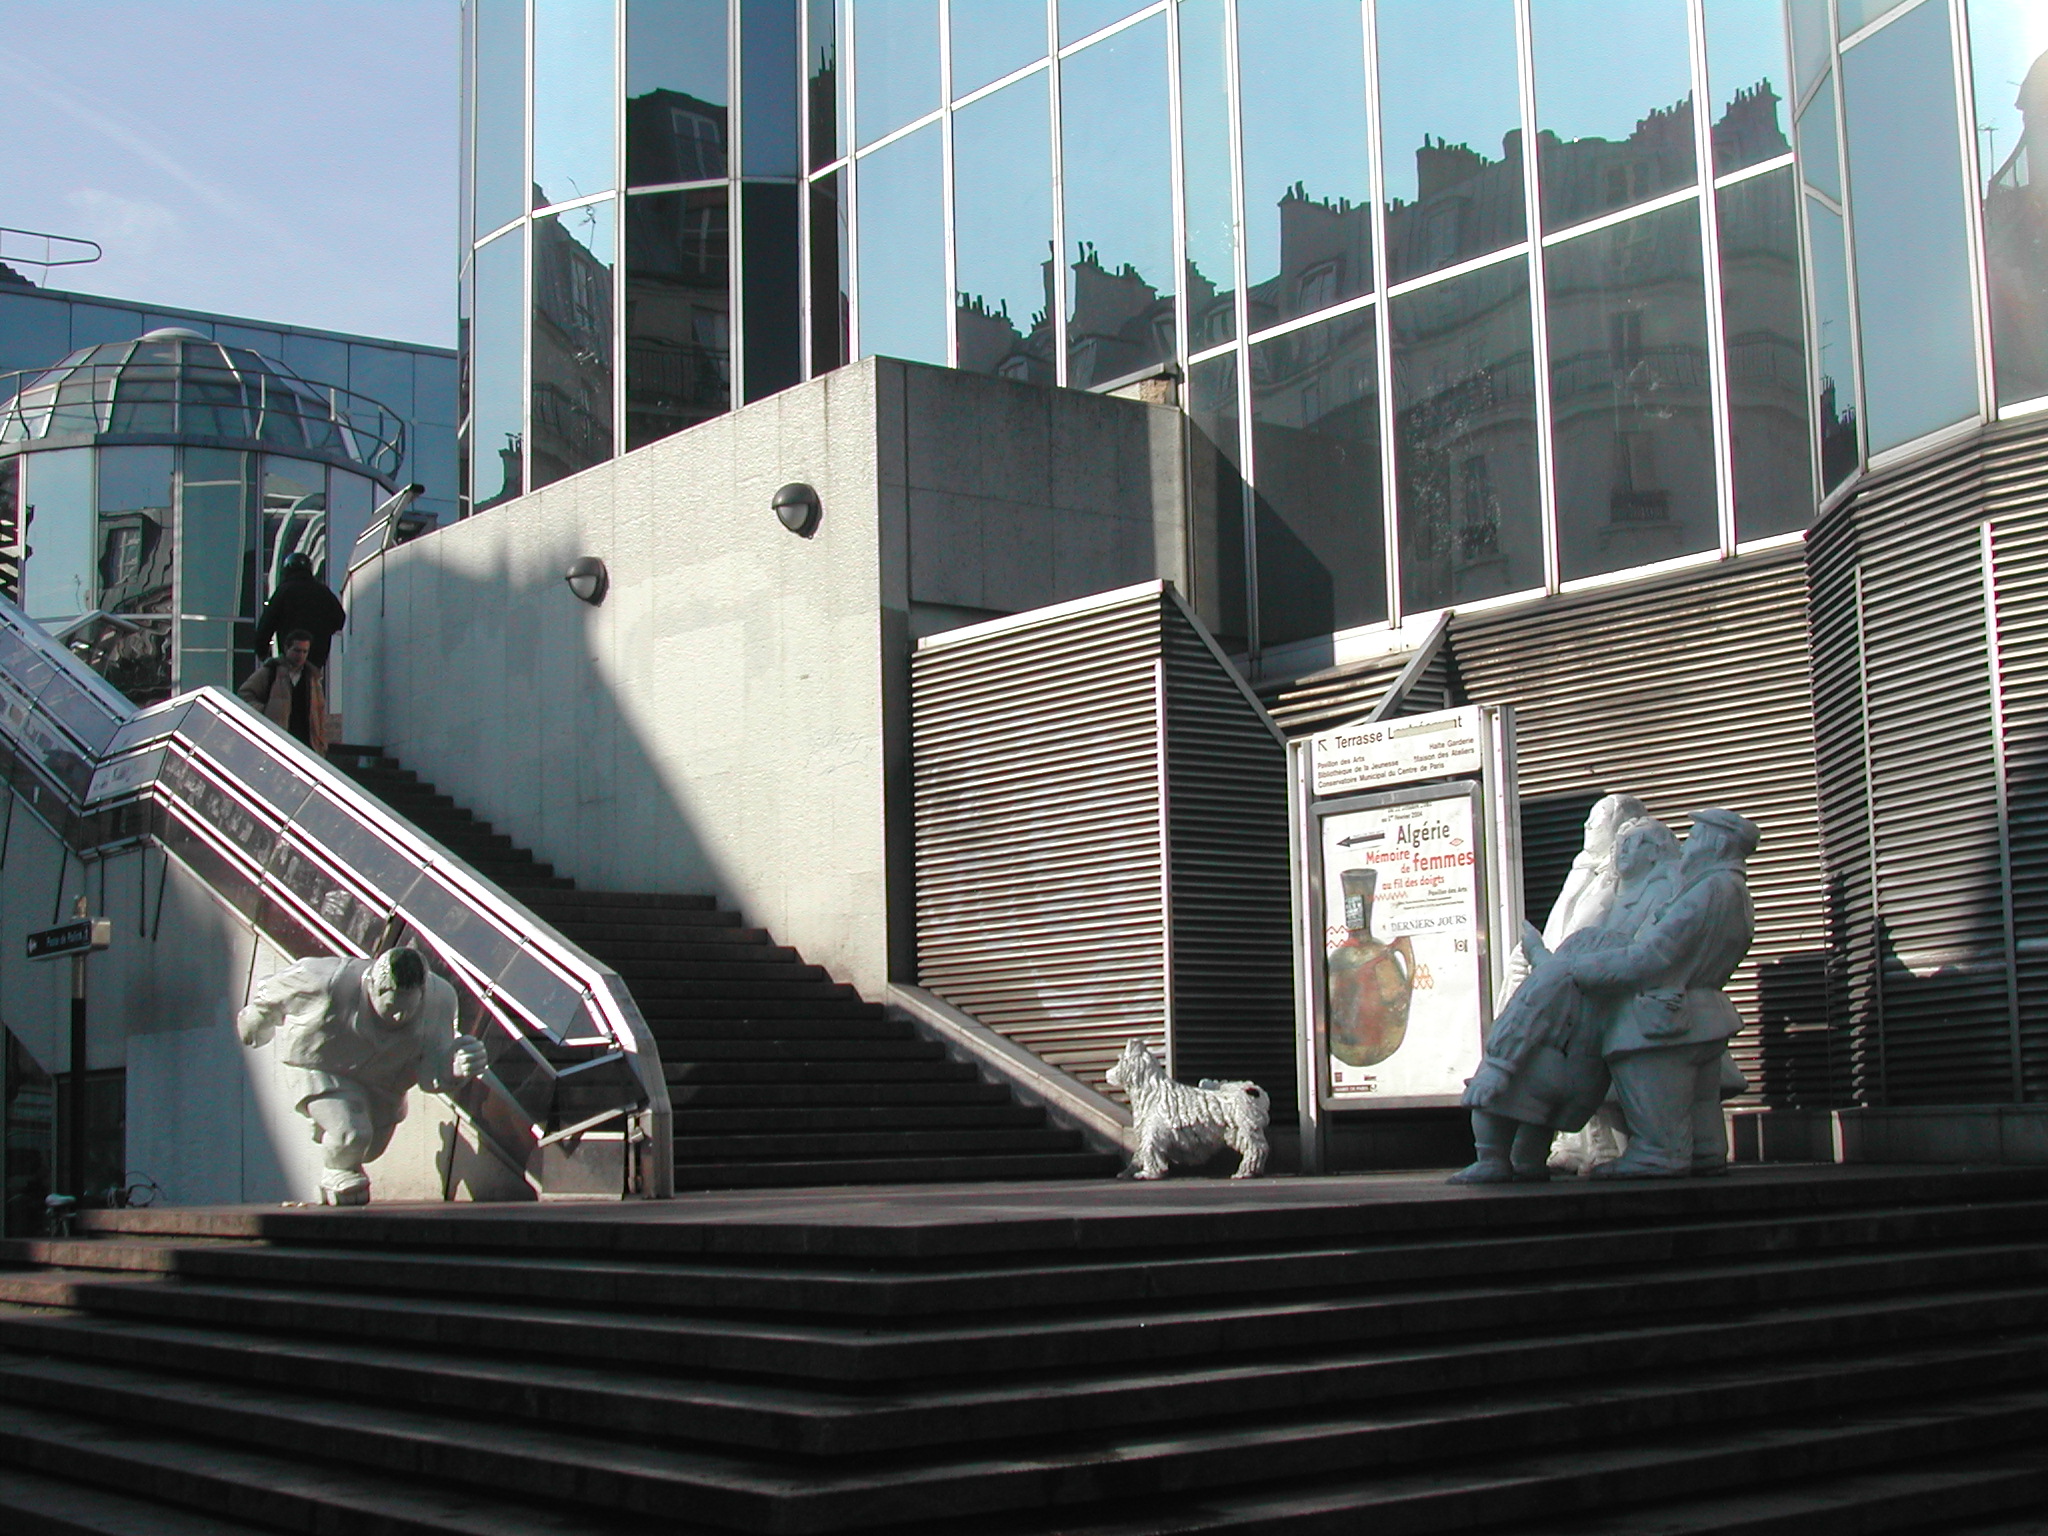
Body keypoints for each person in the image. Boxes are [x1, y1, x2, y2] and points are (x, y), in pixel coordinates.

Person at [1451, 816, 1681, 1184]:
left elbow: (1525, 1013)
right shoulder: (1610, 981)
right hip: (1579, 1077)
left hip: (1539, 1064)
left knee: (1494, 1107)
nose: (1622, 849)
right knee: (1540, 1119)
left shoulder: (1659, 891)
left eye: (1634, 843)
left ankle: (1492, 1158)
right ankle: (1528, 1161)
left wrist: (1496, 1066)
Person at [1567, 808, 1759, 1179]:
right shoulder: (1732, 889)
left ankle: (1656, 1154)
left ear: (1717, 844)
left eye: (1696, 837)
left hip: (1661, 1018)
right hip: (1704, 1014)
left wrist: (1584, 969)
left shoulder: (1706, 890)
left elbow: (1654, 954)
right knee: (1700, 1101)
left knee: (1656, 1092)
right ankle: (1705, 1152)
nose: (1688, 845)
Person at [236, 946, 488, 1206]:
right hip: (323, 1065)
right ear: (372, 988)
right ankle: (337, 1174)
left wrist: (453, 1069)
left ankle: (342, 1156)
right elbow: (275, 992)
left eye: (407, 1010)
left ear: (422, 994)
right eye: (391, 1007)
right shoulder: (328, 981)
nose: (398, 1017)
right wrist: (257, 1020)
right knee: (352, 1134)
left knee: (369, 1150)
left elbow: (430, 1074)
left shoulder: (440, 1001)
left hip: (385, 1082)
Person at [238, 629, 328, 754]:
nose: (301, 656)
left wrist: (321, 743)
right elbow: (245, 695)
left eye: (304, 652)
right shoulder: (271, 671)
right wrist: (266, 711)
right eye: (297, 650)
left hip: (306, 742)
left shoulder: (311, 677)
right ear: (286, 649)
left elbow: (319, 712)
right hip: (279, 739)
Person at [254, 551, 346, 669]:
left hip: (291, 654)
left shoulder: (284, 591)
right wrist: (322, 631)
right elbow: (339, 620)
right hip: (316, 657)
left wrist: (263, 653)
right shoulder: (323, 592)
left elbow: (267, 623)